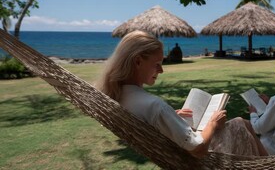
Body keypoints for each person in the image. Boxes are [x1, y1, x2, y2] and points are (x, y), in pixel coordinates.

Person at [96, 30, 265, 157]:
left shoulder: (120, 97)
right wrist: (212, 123)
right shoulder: (155, 106)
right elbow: (197, 149)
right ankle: (271, 164)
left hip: (173, 151)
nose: (161, 70)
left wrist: (171, 117)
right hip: (196, 159)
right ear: (138, 61)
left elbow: (151, 125)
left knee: (241, 124)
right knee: (240, 124)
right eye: (157, 64)